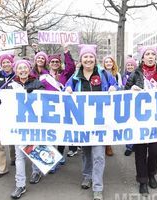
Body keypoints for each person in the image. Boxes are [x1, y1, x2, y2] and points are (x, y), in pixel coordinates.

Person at [65, 44, 118, 200]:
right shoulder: (75, 77)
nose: (88, 59)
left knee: (99, 155)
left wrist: (115, 88)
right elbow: (66, 90)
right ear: (81, 60)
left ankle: (97, 187)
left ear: (95, 59)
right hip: (83, 122)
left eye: (91, 57)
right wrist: (67, 90)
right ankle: (87, 176)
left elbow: (116, 85)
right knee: (87, 153)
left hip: (101, 122)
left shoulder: (104, 74)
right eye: (85, 57)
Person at [124, 46, 157, 196]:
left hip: (156, 120)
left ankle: (151, 174)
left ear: (156, 57)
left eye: (152, 54)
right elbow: (124, 94)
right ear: (142, 58)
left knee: (155, 151)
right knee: (141, 152)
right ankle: (142, 181)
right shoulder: (135, 74)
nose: (150, 56)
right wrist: (131, 90)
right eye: (147, 54)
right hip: (139, 119)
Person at [7, 59, 45, 199]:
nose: (22, 70)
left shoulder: (38, 83)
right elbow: (5, 103)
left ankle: (36, 171)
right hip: (19, 126)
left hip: (34, 124)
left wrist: (35, 93)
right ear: (16, 71)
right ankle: (20, 184)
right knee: (19, 155)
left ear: (29, 70)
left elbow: (46, 101)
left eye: (25, 68)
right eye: (19, 68)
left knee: (33, 149)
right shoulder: (10, 86)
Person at [39, 44, 76, 172]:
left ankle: (59, 155)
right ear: (49, 63)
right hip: (48, 109)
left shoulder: (64, 74)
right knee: (49, 134)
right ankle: (51, 158)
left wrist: (66, 52)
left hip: (63, 108)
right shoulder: (43, 76)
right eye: (52, 62)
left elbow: (71, 67)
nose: (55, 63)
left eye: (57, 62)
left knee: (61, 134)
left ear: (60, 63)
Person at [102, 55, 122, 156]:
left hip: (114, 101)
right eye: (106, 62)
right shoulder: (101, 73)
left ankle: (109, 142)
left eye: (110, 62)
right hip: (104, 102)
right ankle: (107, 145)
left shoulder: (117, 75)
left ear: (113, 63)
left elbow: (120, 87)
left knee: (111, 123)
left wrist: (115, 88)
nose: (109, 63)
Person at [122, 57, 137, 156]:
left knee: (135, 125)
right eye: (128, 65)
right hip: (126, 103)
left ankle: (134, 144)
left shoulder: (138, 76)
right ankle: (129, 146)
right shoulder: (123, 76)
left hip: (136, 104)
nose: (130, 66)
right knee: (128, 125)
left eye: (132, 65)